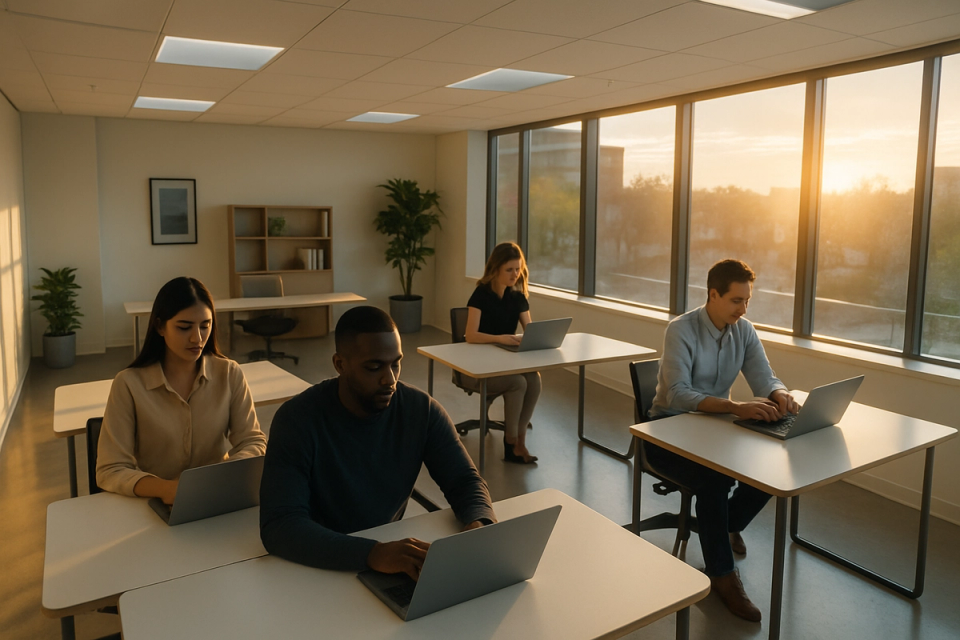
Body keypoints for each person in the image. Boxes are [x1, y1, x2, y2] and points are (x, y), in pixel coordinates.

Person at [259, 306, 495, 580]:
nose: (390, 379)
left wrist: (480, 523)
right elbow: (281, 525)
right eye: (374, 367)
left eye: (396, 363)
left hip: (383, 558)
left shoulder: (422, 410)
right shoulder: (296, 420)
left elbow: (464, 481)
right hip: (315, 562)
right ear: (339, 364)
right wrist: (372, 554)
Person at [647, 259, 799, 623]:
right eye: (736, 300)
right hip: (668, 433)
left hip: (715, 430)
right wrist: (735, 407)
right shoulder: (680, 330)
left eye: (747, 300)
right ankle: (722, 576)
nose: (743, 309)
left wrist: (780, 394)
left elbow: (765, 377)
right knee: (713, 482)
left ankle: (724, 525)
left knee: (771, 468)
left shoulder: (743, 330)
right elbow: (680, 393)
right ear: (712, 295)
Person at [96, 277, 266, 503]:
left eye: (205, 325)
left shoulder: (229, 373)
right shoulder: (128, 384)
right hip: (156, 502)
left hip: (215, 498)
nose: (197, 338)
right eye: (184, 327)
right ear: (159, 326)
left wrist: (225, 473)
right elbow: (111, 469)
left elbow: (253, 442)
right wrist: (166, 489)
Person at [464, 242, 541, 464]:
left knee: (533, 380)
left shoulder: (517, 297)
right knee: (518, 383)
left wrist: (534, 338)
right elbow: (470, 335)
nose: (515, 274)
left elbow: (530, 331)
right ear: (495, 268)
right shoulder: (481, 294)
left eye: (518, 269)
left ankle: (519, 441)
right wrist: (500, 338)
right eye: (509, 270)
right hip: (477, 366)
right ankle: (510, 444)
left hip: (504, 361)